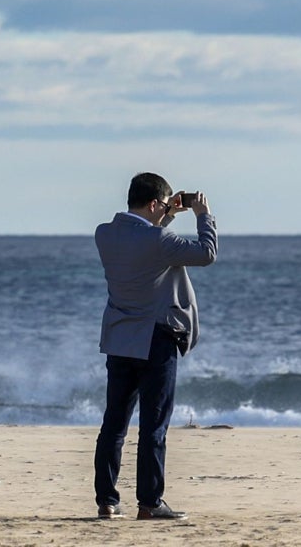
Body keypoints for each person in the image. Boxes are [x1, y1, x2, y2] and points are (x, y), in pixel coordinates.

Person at [93, 172, 218, 521]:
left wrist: (165, 214)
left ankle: (107, 500)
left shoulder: (104, 234)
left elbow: (144, 237)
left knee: (114, 424)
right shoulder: (161, 240)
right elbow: (206, 253)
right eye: (162, 205)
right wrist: (202, 214)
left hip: (119, 339)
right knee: (154, 425)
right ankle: (149, 502)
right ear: (153, 204)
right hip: (156, 339)